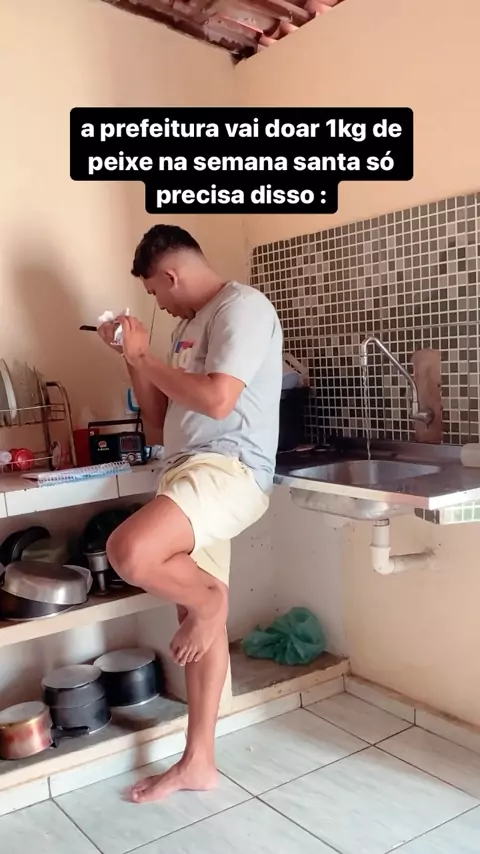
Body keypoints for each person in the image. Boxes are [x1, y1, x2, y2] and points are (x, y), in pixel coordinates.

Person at [98, 224, 283, 803]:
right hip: (186, 470)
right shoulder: (185, 328)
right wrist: (133, 361)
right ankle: (198, 762)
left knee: (129, 552)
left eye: (155, 292)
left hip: (228, 470)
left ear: (171, 275)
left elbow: (218, 400)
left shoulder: (242, 307)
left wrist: (144, 355)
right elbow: (158, 423)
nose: (158, 305)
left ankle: (211, 602)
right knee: (198, 622)